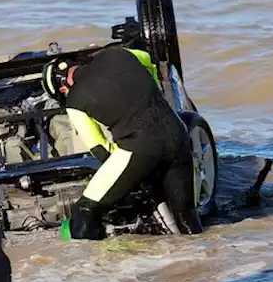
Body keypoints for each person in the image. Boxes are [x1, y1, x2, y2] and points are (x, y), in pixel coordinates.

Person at [41, 46, 203, 240]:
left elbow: (99, 149)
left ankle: (102, 267)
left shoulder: (74, 102)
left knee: (84, 212)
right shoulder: (117, 53)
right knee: (186, 216)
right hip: (177, 134)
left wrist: (131, 176)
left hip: (140, 149)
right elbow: (149, 60)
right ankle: (204, 259)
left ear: (62, 88)